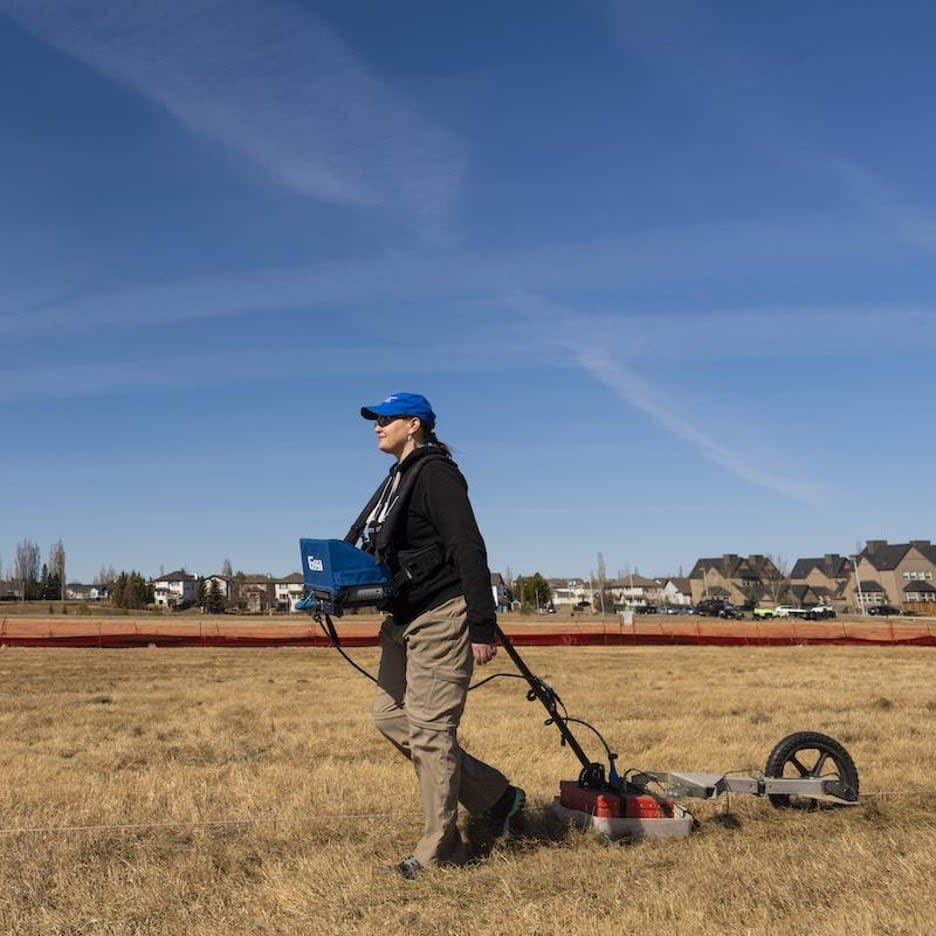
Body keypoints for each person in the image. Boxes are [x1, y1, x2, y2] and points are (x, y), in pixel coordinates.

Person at [347, 392, 525, 879]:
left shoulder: (437, 474)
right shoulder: (396, 480)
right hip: (401, 620)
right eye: (376, 420)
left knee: (431, 732)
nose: (377, 427)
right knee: (390, 717)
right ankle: (495, 796)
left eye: (385, 419)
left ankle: (441, 847)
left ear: (415, 424)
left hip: (442, 616)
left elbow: (468, 546)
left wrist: (482, 623)